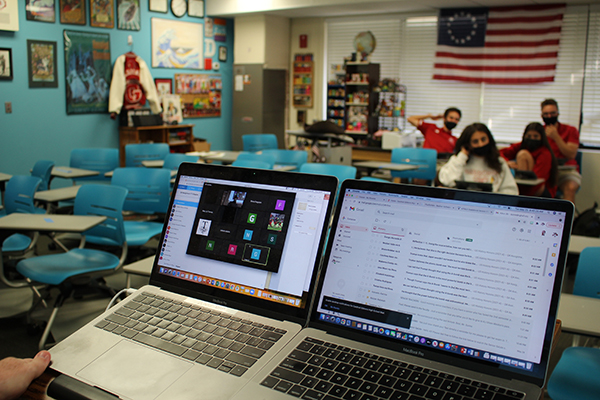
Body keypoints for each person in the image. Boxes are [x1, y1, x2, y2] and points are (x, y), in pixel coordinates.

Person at [438, 122, 518, 195]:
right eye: (475, 141)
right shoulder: (459, 159)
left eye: (483, 139)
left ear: (489, 139)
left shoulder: (499, 162)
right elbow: (447, 181)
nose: (481, 144)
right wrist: (463, 155)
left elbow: (512, 191)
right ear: (468, 144)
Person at [500, 122, 558, 197]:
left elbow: (538, 179)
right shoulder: (522, 145)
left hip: (541, 190)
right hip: (522, 187)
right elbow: (500, 153)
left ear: (542, 137)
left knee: (523, 155)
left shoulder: (545, 153)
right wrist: (506, 162)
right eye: (529, 136)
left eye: (535, 136)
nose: (532, 139)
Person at [540, 99, 581, 204]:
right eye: (546, 114)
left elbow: (571, 154)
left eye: (552, 113)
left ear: (558, 113)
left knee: (570, 187)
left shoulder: (570, 130)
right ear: (542, 115)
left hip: (565, 171)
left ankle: (567, 219)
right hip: (545, 171)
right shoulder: (539, 131)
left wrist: (556, 137)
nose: (549, 116)